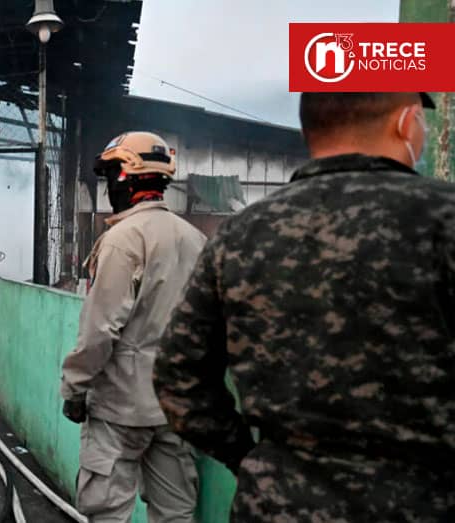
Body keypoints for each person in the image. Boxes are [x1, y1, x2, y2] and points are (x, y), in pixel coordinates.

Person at [155, 92, 455, 522]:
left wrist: (254, 460)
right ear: (406, 123)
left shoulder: (242, 234)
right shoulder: (444, 217)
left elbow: (177, 378)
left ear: (310, 130)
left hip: (278, 507)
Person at [60, 132, 205, 522]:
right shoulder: (196, 240)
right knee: (176, 512)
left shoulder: (123, 240)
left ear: (127, 176)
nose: (109, 186)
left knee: (107, 510)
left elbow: (100, 329)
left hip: (120, 408)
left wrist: (75, 388)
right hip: (176, 406)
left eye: (111, 176)